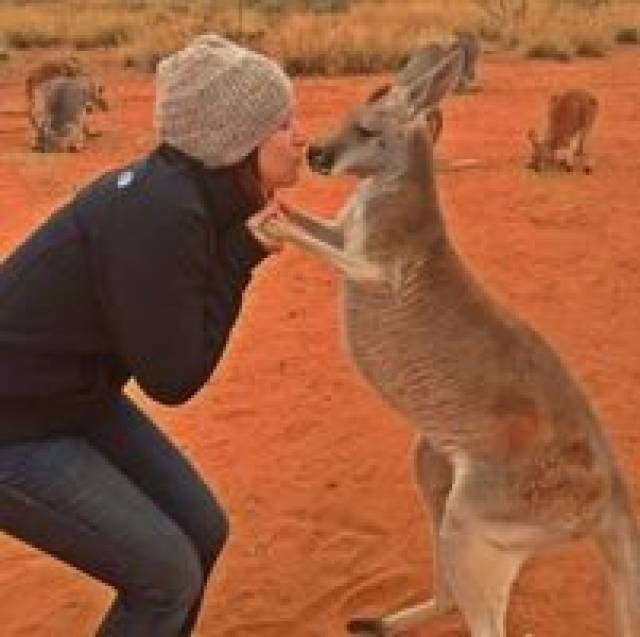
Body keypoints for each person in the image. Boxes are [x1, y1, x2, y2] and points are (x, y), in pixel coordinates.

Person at [0, 34, 307, 635]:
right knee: (165, 575)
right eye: (282, 124)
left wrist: (238, 244)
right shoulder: (164, 213)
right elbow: (173, 377)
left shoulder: (193, 196)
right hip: (12, 426)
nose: (302, 136)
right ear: (234, 142)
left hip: (68, 401)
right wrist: (242, 257)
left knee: (202, 530)